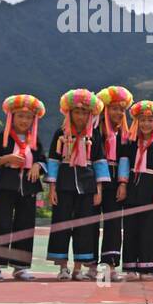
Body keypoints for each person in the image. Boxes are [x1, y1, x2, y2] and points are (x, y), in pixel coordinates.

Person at [45, 89, 107, 281]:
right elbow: (54, 162)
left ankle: (78, 268)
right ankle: (63, 268)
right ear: (69, 112)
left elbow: (99, 163)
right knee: (62, 225)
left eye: (84, 112)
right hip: (64, 186)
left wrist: (99, 190)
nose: (80, 116)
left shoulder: (94, 135)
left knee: (84, 228)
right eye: (77, 112)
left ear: (91, 115)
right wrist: (52, 188)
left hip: (87, 188)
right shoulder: (60, 133)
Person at [0, 95, 47, 281]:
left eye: (28, 117)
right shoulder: (1, 138)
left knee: (25, 226)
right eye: (20, 116)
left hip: (28, 188)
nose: (24, 120)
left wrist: (37, 166)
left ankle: (21, 267)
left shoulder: (34, 140)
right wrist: (6, 159)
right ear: (12, 117)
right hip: (5, 187)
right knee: (0, 224)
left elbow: (43, 160)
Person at [119, 100, 153, 279]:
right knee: (130, 228)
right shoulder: (131, 142)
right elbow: (124, 163)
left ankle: (146, 268)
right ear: (136, 122)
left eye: (150, 120)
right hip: (133, 188)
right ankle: (130, 267)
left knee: (149, 231)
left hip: (151, 190)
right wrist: (123, 184)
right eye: (142, 120)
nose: (146, 124)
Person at [94, 85, 134, 281]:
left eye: (121, 109)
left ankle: (109, 266)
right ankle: (90, 265)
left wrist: (123, 183)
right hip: (94, 182)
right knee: (90, 224)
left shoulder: (124, 135)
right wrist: (98, 186)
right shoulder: (95, 131)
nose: (118, 112)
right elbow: (96, 158)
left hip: (116, 181)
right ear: (104, 109)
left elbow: (125, 160)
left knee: (113, 224)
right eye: (114, 108)